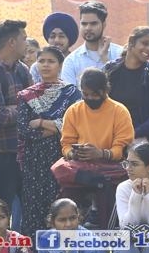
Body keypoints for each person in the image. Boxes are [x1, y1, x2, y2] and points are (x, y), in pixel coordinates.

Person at [54, 68, 135, 228]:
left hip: (109, 172)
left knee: (108, 199)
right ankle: (64, 237)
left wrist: (101, 153)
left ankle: (106, 240)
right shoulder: (74, 110)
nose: (90, 98)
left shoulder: (119, 111)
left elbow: (122, 150)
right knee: (65, 199)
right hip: (81, 169)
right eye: (85, 94)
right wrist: (74, 154)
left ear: (106, 90)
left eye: (95, 95)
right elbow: (66, 144)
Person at [17, 45, 82, 240]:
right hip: (34, 162)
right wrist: (57, 127)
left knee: (61, 208)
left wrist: (41, 123)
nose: (46, 65)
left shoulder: (71, 93)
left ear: (60, 65)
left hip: (62, 158)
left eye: (51, 61)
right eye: (42, 61)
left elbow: (74, 126)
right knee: (34, 211)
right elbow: (24, 131)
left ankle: (64, 252)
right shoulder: (27, 95)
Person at [0, 20, 33, 232]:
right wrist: (23, 109)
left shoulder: (22, 70)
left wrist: (14, 108)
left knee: (34, 212)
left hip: (25, 155)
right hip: (0, 159)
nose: (27, 43)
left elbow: (36, 106)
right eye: (24, 39)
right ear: (12, 42)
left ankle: (27, 252)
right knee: (1, 218)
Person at [102, 26, 149, 141]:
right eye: (145, 43)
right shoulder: (110, 70)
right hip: (108, 135)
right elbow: (97, 103)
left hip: (139, 138)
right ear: (131, 41)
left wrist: (133, 133)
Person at [61, 1, 122, 86]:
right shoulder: (71, 61)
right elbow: (70, 93)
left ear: (104, 25)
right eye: (84, 24)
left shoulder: (120, 54)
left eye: (93, 23)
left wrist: (104, 58)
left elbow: (122, 88)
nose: (88, 28)